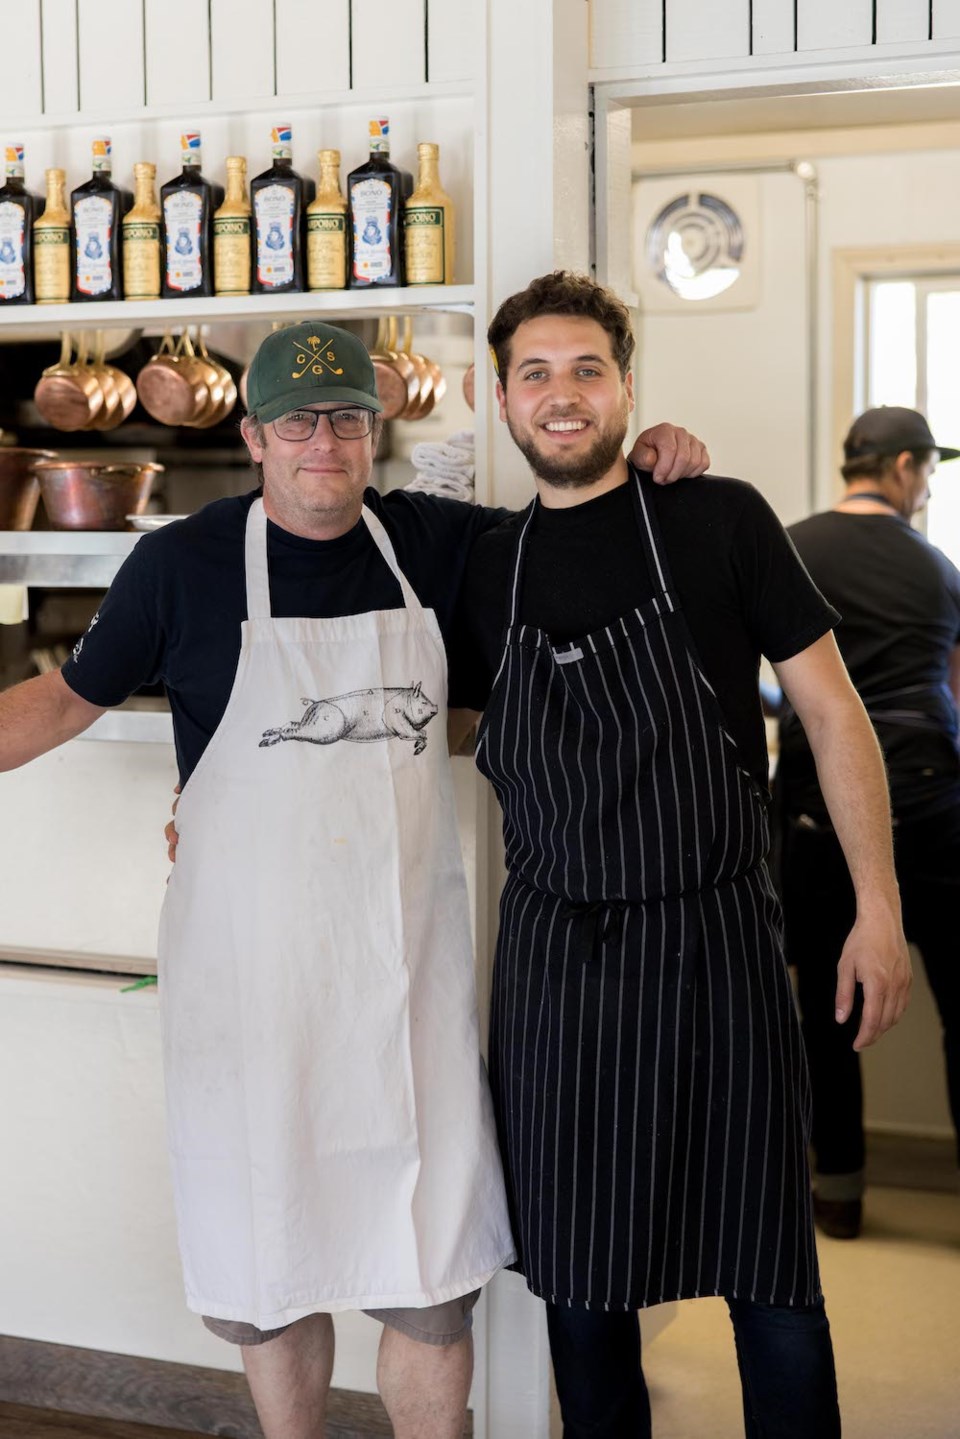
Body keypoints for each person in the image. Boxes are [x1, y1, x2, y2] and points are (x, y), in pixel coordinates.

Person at [0, 318, 705, 1439]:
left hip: (401, 991)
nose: (321, 438)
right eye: (296, 419)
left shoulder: (434, 541)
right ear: (254, 434)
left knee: (429, 1281)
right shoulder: (179, 564)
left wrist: (651, 459)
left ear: (374, 432)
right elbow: (68, 698)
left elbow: (580, 540)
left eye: (344, 416)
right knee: (269, 1269)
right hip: (249, 991)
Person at [451, 272, 913, 1439]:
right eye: (537, 374)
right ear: (498, 397)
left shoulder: (716, 517)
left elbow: (833, 711)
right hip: (556, 961)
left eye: (587, 369)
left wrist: (877, 907)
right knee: (580, 1284)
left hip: (717, 943)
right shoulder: (479, 565)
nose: (563, 397)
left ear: (626, 385)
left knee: (770, 1274)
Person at [777, 405, 960, 1240]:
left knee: (825, 1005)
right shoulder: (938, 568)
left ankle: (838, 1195)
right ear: (902, 468)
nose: (924, 488)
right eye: (925, 471)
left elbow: (753, 682)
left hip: (820, 816)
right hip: (932, 806)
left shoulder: (791, 547)